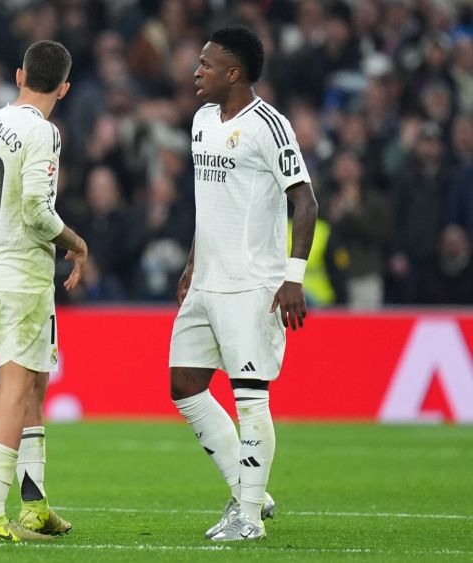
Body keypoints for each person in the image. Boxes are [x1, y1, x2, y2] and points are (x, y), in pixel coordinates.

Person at [169, 26, 317, 542]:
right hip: (206, 281)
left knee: (250, 398)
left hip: (253, 284)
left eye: (206, 65)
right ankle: (248, 486)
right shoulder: (202, 120)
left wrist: (291, 279)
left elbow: (306, 200)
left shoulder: (268, 126)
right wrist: (191, 264)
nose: (196, 72)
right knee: (183, 385)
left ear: (234, 73)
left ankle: (248, 516)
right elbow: (209, 202)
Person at [0, 40, 87, 542]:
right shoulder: (43, 132)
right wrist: (76, 242)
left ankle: (33, 505)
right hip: (20, 277)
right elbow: (36, 209)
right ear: (65, 89)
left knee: (33, 384)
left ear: (19, 75)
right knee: (14, 387)